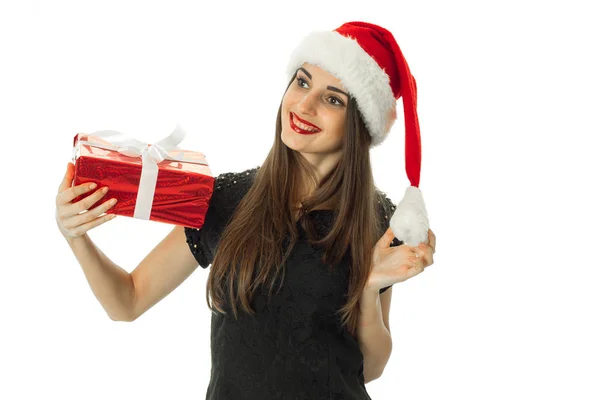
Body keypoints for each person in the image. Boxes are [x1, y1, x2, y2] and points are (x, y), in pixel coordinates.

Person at [55, 21, 437, 400]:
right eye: (302, 82)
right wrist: (77, 237)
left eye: (332, 99)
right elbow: (128, 301)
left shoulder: (378, 220)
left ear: (360, 125)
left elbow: (369, 369)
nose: (303, 105)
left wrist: (370, 287)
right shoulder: (227, 199)